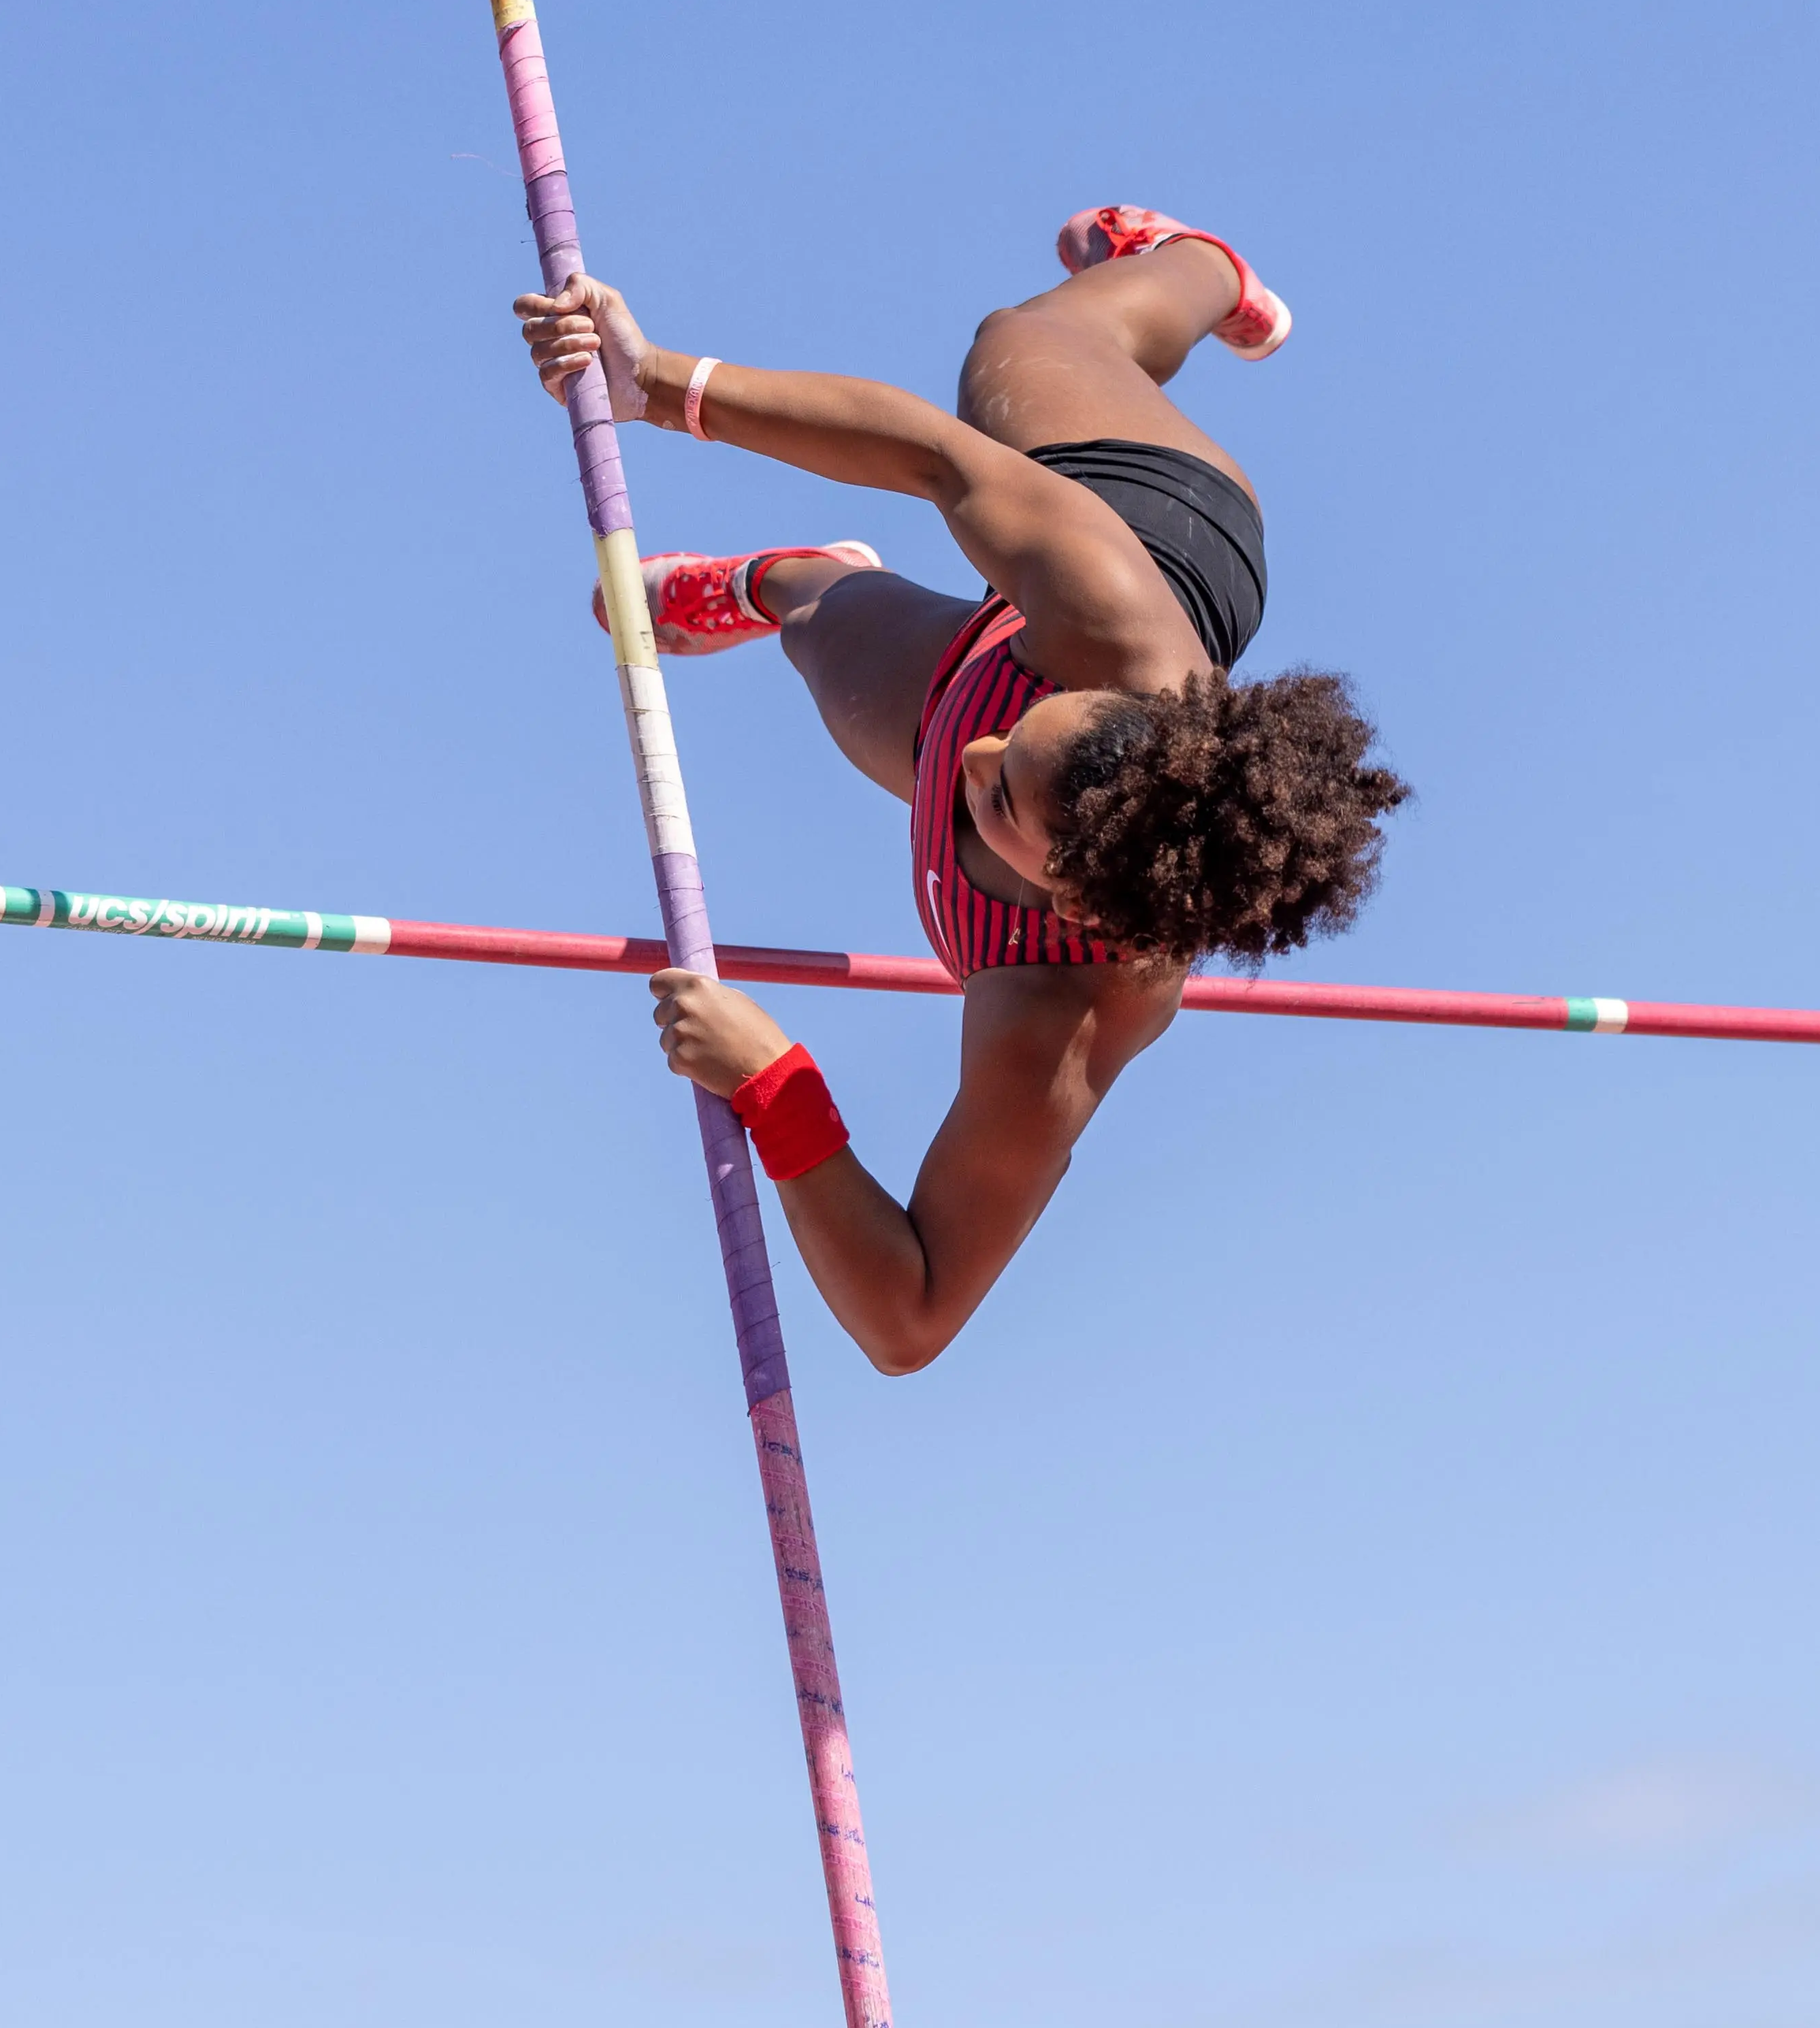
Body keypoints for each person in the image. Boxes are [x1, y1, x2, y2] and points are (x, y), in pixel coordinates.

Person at [515, 209, 1403, 1373]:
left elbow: (913, 1317)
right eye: (1022, 746)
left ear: (1080, 905)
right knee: (1007, 352)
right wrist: (661, 384)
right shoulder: (1102, 611)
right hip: (1151, 526)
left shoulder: (1067, 1016)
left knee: (819, 623)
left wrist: (776, 1086)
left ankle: (797, 584)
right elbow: (931, 455)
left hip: (977, 693)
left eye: (1000, 806)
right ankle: (1196, 268)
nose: (979, 763)